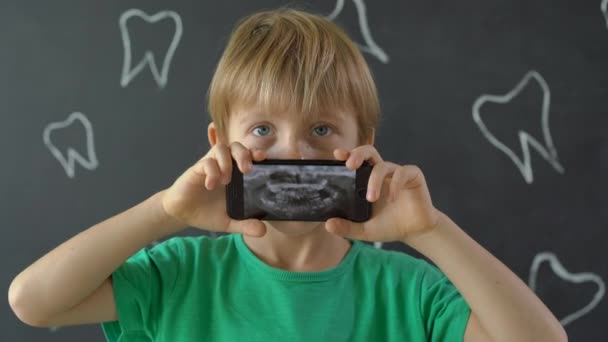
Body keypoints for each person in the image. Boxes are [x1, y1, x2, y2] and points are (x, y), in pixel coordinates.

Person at [8, 7, 567, 342]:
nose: (291, 152)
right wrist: (165, 213)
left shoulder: (407, 290)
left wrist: (430, 231)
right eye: (261, 132)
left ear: (363, 149)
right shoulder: (178, 274)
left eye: (322, 131)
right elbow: (32, 302)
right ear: (218, 146)